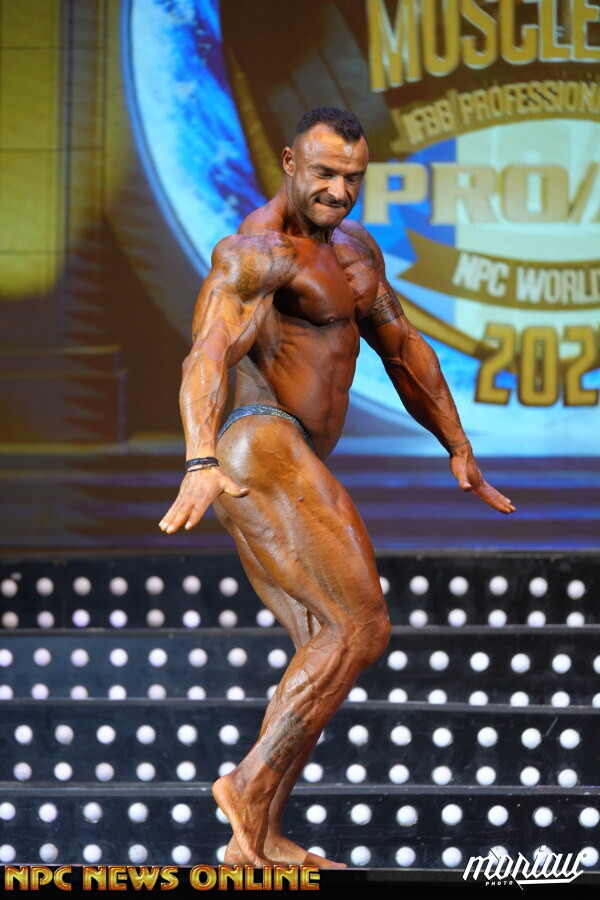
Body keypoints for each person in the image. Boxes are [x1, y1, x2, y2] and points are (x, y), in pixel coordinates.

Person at [158, 107, 516, 868]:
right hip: (259, 442)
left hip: (281, 454)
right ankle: (246, 785)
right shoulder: (256, 252)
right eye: (324, 173)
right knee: (363, 626)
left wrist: (457, 445)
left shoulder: (356, 252)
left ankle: (257, 837)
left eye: (353, 177)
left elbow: (403, 347)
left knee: (323, 644)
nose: (339, 191)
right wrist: (198, 459)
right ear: (290, 162)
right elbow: (208, 354)